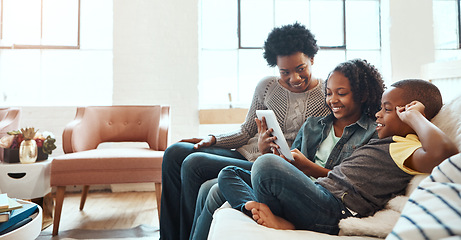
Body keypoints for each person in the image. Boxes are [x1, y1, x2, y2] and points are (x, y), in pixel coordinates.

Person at [219, 79, 459, 235]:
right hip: (320, 194)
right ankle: (255, 207)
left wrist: (416, 118)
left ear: (408, 113)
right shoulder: (386, 143)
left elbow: (445, 155)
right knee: (229, 173)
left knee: (266, 164)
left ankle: (276, 215)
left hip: (335, 209)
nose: (378, 114)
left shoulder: (408, 146)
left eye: (387, 109)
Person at [160, 23, 331, 240]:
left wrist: (267, 151)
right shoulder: (267, 86)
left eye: (301, 69)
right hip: (245, 152)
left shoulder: (327, 96)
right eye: (284, 72)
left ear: (312, 59)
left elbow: (310, 149)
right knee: (175, 152)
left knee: (194, 164)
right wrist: (212, 139)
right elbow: (245, 131)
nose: (294, 78)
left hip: (269, 165)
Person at [190, 58, 385, 239]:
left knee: (223, 185)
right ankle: (253, 208)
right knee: (226, 175)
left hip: (325, 199)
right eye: (329, 93)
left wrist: (305, 166)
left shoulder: (372, 134)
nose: (332, 100)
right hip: (294, 188)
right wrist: (268, 152)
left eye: (341, 93)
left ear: (362, 95)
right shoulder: (313, 125)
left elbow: (349, 183)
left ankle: (272, 215)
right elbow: (289, 166)